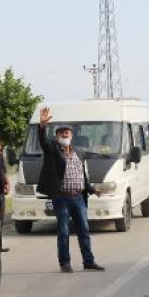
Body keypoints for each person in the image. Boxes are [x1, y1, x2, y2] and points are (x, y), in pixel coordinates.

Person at [36, 107, 105, 273]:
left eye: (67, 133)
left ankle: (88, 261)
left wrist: (92, 189)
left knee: (84, 230)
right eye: (61, 133)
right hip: (61, 198)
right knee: (64, 231)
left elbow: (82, 175)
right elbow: (43, 142)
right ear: (57, 137)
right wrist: (42, 126)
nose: (65, 135)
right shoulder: (52, 150)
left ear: (72, 136)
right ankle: (65, 262)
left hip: (78, 198)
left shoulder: (77, 153)